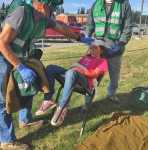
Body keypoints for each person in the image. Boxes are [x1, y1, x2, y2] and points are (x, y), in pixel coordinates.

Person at [0, 0, 88, 149]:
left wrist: (80, 38)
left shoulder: (43, 18)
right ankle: (6, 141)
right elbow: (2, 42)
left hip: (22, 56)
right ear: (40, 4)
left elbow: (61, 27)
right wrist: (20, 67)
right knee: (2, 99)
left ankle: (25, 121)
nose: (53, 9)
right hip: (3, 56)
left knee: (28, 88)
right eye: (51, 6)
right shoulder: (22, 12)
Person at [36, 40, 108, 126]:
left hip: (84, 84)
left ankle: (62, 107)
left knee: (71, 73)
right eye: (91, 47)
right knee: (51, 68)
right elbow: (74, 66)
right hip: (72, 76)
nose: (91, 49)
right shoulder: (86, 58)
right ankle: (48, 99)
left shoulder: (103, 61)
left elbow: (93, 74)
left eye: (95, 48)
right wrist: (76, 67)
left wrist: (79, 69)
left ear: (101, 50)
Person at [86, 0, 132, 102]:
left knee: (114, 74)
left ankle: (111, 94)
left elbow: (127, 27)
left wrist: (121, 44)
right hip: (97, 44)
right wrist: (88, 39)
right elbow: (90, 24)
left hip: (114, 44)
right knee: (92, 75)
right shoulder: (96, 4)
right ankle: (88, 99)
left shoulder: (124, 4)